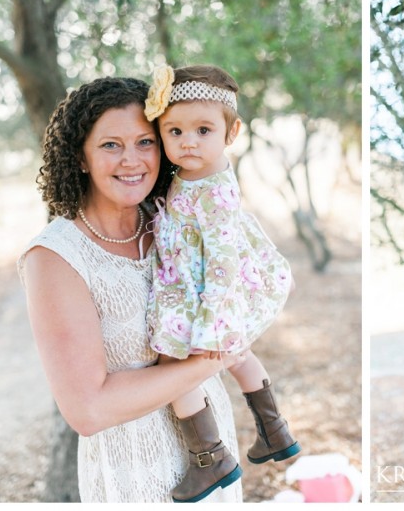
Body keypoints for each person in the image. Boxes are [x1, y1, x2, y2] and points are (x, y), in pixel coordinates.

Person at [18, 76, 245, 503]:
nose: (132, 160)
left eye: (145, 142)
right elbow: (88, 409)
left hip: (219, 463)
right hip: (134, 477)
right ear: (81, 157)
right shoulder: (55, 257)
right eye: (110, 145)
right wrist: (215, 358)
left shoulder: (173, 220)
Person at [143, 64, 300, 502]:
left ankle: (209, 458)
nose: (187, 141)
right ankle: (274, 431)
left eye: (203, 130)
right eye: (174, 131)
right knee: (238, 353)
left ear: (231, 133)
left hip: (205, 298)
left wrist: (212, 322)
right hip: (195, 290)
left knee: (172, 369)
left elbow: (224, 263)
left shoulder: (215, 189)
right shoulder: (185, 175)